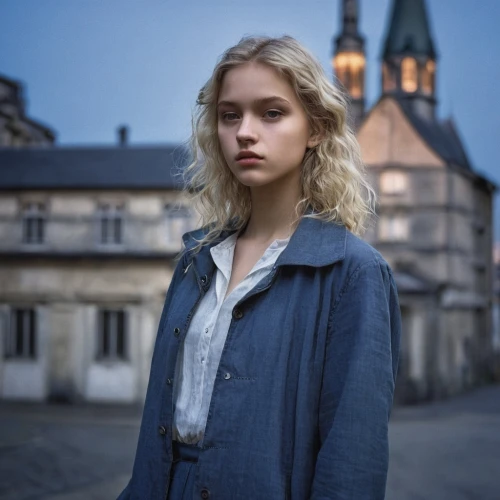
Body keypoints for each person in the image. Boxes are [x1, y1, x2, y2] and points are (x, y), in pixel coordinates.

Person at [117, 35, 401, 500]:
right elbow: (156, 430)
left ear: (315, 128)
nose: (245, 132)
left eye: (271, 113)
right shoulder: (197, 260)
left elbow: (353, 458)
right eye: (230, 115)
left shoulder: (354, 273)